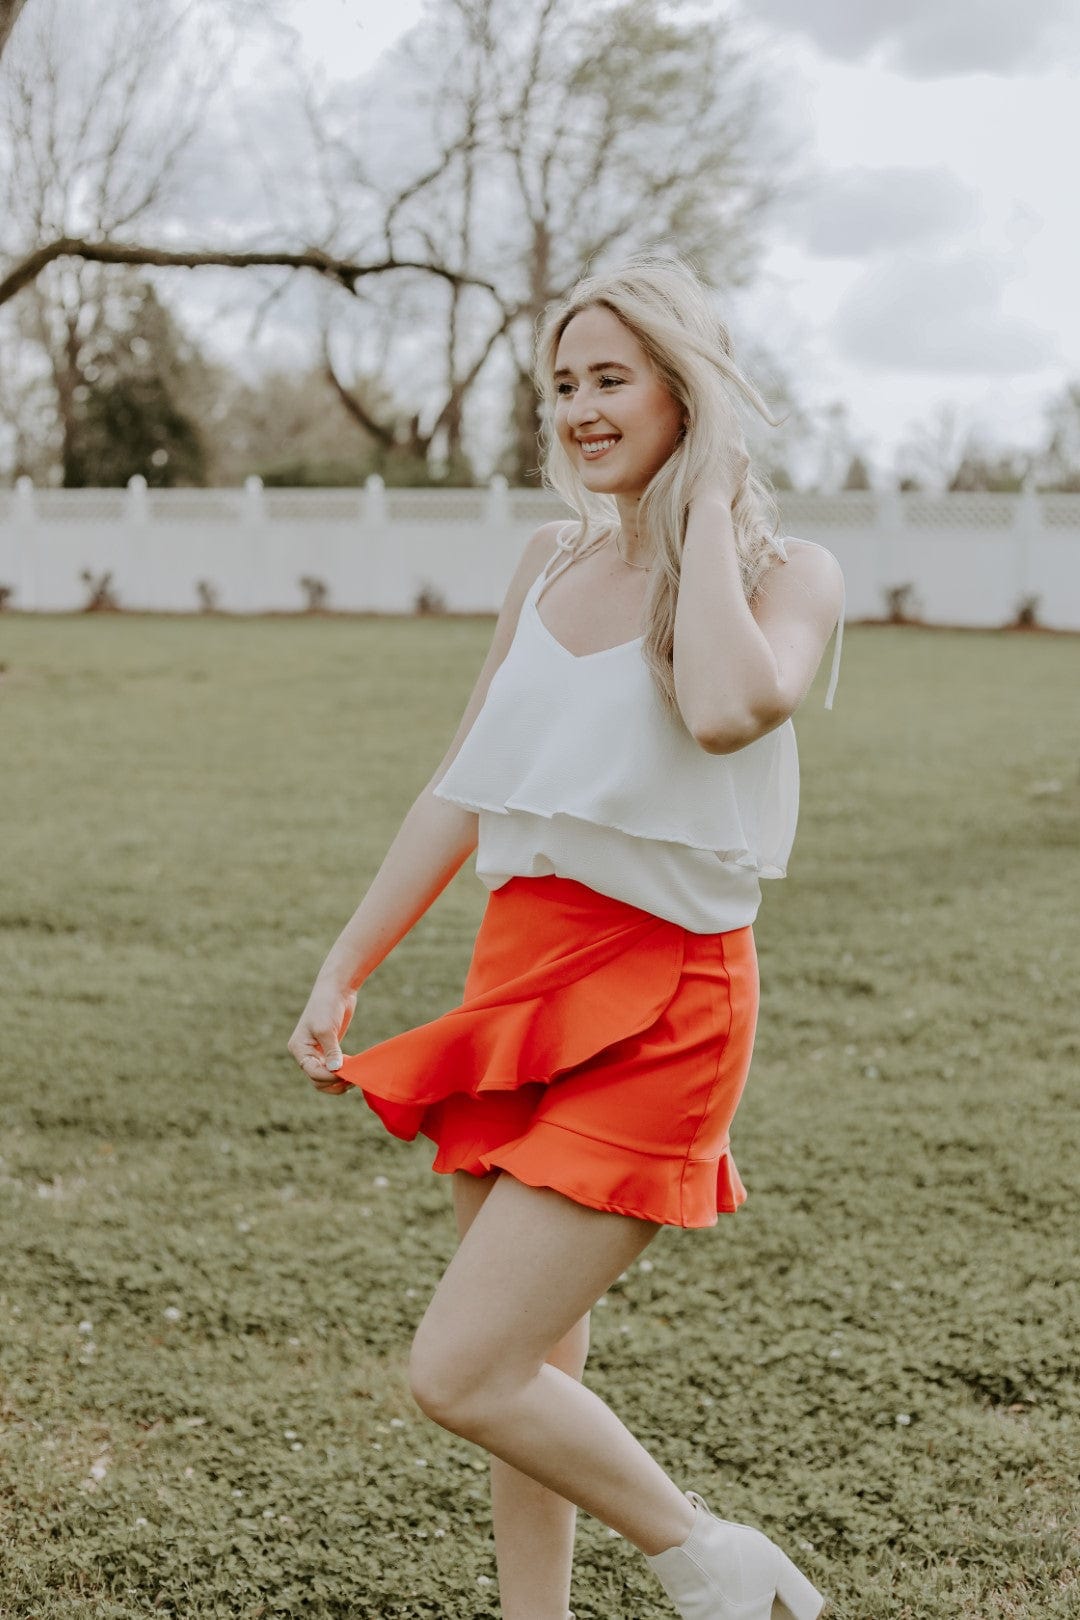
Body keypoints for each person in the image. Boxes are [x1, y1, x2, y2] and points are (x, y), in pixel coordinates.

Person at [288, 251, 844, 1620]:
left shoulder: (793, 575)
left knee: (462, 1369)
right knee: (538, 1366)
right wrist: (345, 962)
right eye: (563, 385)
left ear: (686, 388)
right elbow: (470, 779)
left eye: (614, 378)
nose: (583, 409)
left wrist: (704, 504)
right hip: (518, 980)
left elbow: (724, 709)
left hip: (667, 1000)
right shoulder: (547, 558)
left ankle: (714, 1563)